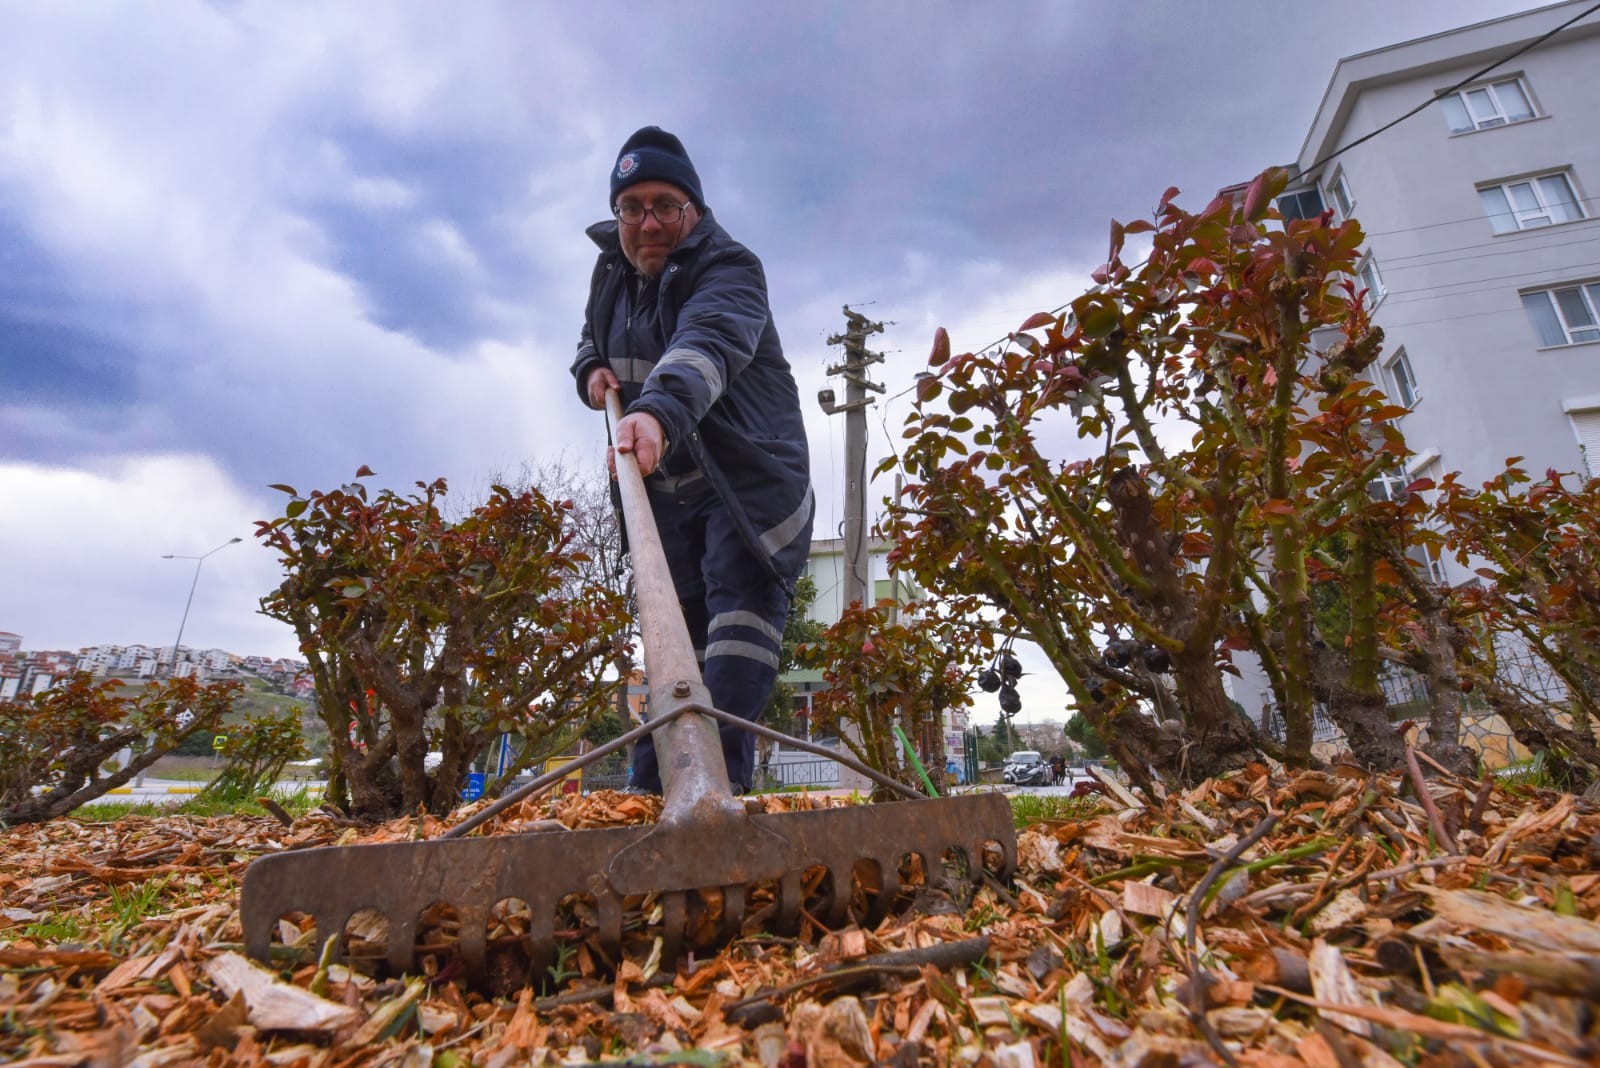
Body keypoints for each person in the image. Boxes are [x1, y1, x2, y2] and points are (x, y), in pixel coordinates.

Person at [571, 126, 813, 795]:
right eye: (632, 207)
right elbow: (592, 335)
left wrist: (656, 410)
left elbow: (706, 343)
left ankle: (714, 800)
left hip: (746, 485)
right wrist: (590, 365)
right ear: (617, 212)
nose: (648, 223)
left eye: (665, 206)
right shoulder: (611, 274)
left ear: (694, 212)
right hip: (664, 491)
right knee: (674, 656)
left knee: (732, 648)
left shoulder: (730, 268)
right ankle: (651, 801)